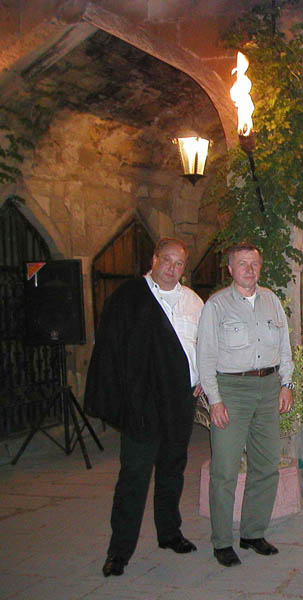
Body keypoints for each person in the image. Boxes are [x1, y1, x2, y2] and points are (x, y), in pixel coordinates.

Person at [85, 238, 204, 578]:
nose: (171, 268)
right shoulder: (129, 297)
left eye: (178, 263)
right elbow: (111, 348)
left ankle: (169, 533)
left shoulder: (193, 301)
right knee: (134, 476)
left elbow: (203, 344)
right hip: (142, 403)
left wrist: (201, 377)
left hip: (180, 399)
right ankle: (119, 551)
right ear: (153, 259)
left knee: (172, 469)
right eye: (166, 260)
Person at [197, 242, 294, 568]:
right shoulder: (217, 305)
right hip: (232, 390)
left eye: (254, 263)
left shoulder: (272, 301)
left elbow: (285, 347)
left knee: (265, 465)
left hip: (268, 388)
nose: (249, 269)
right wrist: (215, 400)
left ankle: (253, 533)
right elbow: (205, 356)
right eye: (242, 263)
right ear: (230, 269)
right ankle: (222, 541)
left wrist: (287, 384)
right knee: (224, 470)